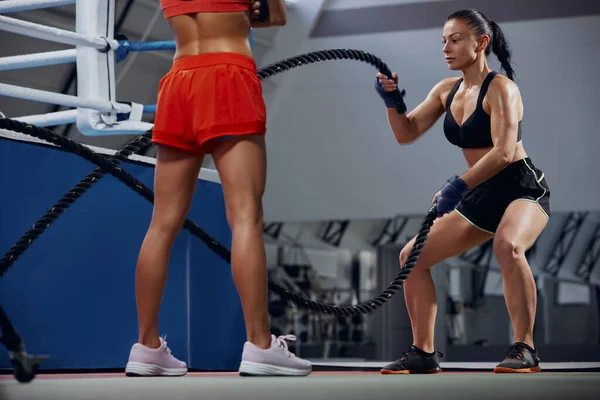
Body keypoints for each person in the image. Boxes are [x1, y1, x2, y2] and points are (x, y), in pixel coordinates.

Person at [124, 0, 312, 377]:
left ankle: (145, 347)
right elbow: (277, 14)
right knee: (245, 216)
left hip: (178, 81)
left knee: (161, 223)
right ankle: (260, 346)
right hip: (228, 75)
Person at [374, 9, 550, 374]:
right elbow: (405, 133)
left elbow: (503, 151)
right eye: (443, 41)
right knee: (412, 257)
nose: (446, 48)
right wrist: (392, 102)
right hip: (479, 192)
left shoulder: (502, 89)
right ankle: (423, 352)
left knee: (508, 245)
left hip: (520, 186)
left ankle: (525, 348)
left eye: (455, 40)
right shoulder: (445, 91)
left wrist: (458, 184)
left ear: (481, 43)